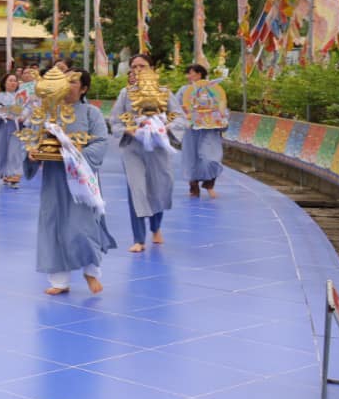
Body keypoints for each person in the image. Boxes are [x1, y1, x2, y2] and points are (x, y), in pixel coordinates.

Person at [26, 65, 114, 294]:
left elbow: (101, 142)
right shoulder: (47, 112)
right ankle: (59, 281)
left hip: (81, 180)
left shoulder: (91, 113)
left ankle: (91, 271)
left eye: (73, 81)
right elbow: (33, 139)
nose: (66, 85)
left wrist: (75, 156)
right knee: (53, 225)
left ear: (84, 88)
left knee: (84, 226)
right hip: (54, 179)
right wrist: (33, 153)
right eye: (64, 80)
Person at [110, 53, 182, 252]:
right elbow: (115, 119)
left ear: (152, 68)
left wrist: (164, 128)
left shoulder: (164, 92)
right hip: (133, 148)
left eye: (142, 66)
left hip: (158, 148)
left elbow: (179, 118)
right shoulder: (126, 93)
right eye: (134, 67)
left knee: (160, 187)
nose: (137, 70)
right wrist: (128, 130)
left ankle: (156, 227)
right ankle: (139, 239)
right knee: (137, 190)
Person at [174, 63, 227, 198]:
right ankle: (194, 186)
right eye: (188, 73)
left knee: (212, 158)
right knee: (192, 158)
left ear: (199, 74)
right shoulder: (184, 90)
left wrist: (222, 117)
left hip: (210, 130)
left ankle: (209, 184)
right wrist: (183, 114)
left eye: (191, 73)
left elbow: (221, 105)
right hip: (192, 131)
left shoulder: (213, 88)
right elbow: (175, 108)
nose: (188, 76)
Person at [0, 71, 26, 188]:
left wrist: (23, 118)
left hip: (16, 127)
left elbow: (26, 110)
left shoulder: (21, 97)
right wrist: (0, 114)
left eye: (15, 81)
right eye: (10, 80)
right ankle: (4, 173)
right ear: (4, 83)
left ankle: (14, 175)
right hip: (1, 126)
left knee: (15, 151)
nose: (13, 83)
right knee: (2, 151)